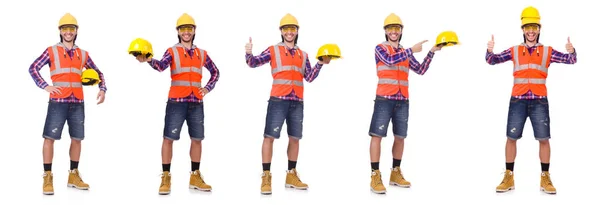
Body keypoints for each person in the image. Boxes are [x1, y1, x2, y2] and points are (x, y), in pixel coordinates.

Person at [486, 6, 577, 194]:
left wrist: (572, 51)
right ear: (522, 29)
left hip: (539, 102)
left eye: (534, 27)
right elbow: (492, 60)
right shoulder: (514, 50)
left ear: (539, 29)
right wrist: (489, 51)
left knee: (544, 139)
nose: (531, 31)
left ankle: (545, 178)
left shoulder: (547, 51)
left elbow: (571, 60)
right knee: (511, 138)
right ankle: (508, 176)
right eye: (527, 27)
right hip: (517, 101)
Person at [134, 13, 220, 195]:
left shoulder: (202, 53)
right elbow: (160, 66)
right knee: (168, 139)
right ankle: (166, 177)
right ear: (178, 31)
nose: (186, 32)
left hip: (196, 102)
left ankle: (195, 176)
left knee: (197, 139)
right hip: (176, 103)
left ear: (194, 30)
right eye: (183, 29)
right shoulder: (172, 51)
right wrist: (149, 59)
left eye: (189, 29)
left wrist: (206, 89)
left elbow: (216, 72)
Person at [245, 13, 331, 195]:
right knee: (269, 137)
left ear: (297, 31)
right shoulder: (273, 50)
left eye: (292, 29)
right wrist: (248, 53)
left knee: (295, 138)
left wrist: (320, 63)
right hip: (278, 101)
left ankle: (291, 175)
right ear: (281, 31)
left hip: (297, 102)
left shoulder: (304, 54)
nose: (289, 32)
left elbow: (309, 77)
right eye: (286, 29)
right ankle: (266, 176)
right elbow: (253, 63)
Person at [29, 13, 107, 195]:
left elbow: (98, 72)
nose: (68, 32)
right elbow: (33, 68)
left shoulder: (83, 54)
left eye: (71, 29)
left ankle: (73, 175)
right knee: (49, 138)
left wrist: (102, 88)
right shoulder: (51, 51)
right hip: (58, 102)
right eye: (65, 29)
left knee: (77, 139)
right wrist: (45, 86)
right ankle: (47, 176)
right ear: (60, 31)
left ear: (76, 31)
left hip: (77, 102)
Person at [368, 13, 442, 194]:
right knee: (377, 136)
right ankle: (375, 175)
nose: (394, 31)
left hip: (402, 100)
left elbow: (421, 70)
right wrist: (411, 50)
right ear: (385, 31)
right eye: (390, 28)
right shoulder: (381, 48)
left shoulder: (404, 52)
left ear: (401, 31)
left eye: (397, 28)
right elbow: (389, 60)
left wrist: (431, 52)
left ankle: (395, 172)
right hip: (384, 99)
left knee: (400, 137)